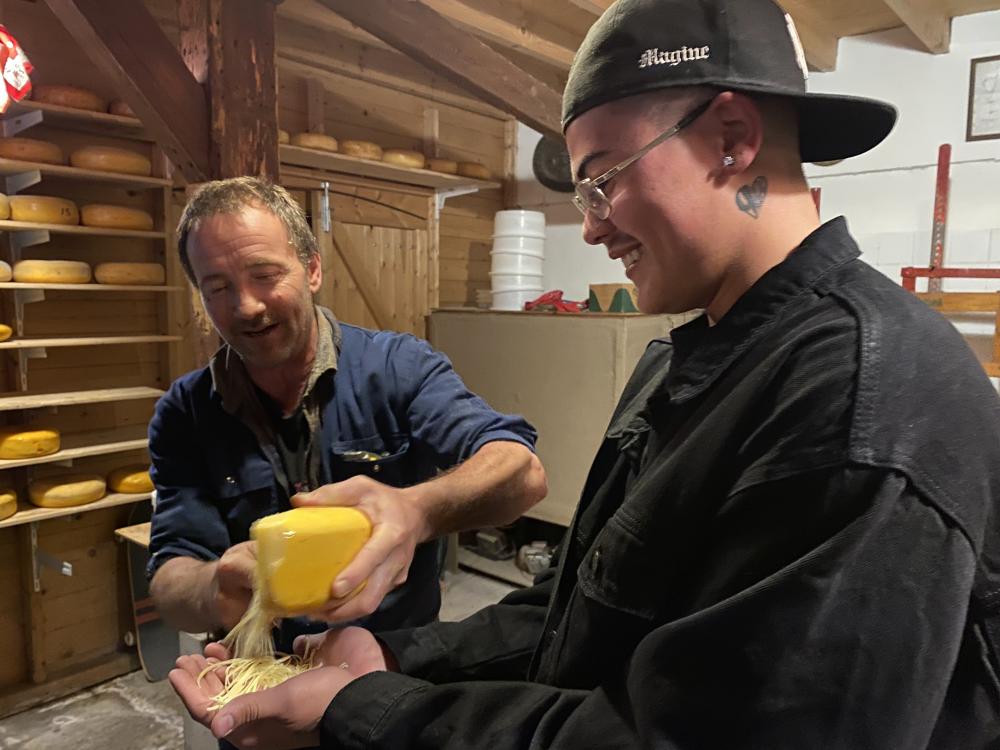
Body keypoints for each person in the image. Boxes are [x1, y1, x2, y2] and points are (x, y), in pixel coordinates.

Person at [171, 0, 1000, 747]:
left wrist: (363, 711)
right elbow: (582, 616)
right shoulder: (682, 364)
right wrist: (389, 653)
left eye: (603, 178)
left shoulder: (864, 401)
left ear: (733, 139)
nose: (594, 228)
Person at [147, 176, 547, 650]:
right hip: (264, 669)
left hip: (396, 667)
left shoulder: (397, 366)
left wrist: (416, 511)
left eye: (265, 274)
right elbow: (170, 580)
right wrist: (214, 585)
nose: (247, 305)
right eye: (218, 288)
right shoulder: (185, 412)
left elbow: (523, 473)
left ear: (312, 269)